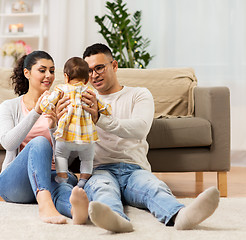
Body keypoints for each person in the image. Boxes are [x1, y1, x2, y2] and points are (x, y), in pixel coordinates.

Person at [55, 43, 220, 233]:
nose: (94, 75)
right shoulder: (80, 101)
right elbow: (70, 148)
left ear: (114, 65)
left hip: (134, 168)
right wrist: (59, 124)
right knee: (102, 190)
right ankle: (117, 220)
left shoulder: (139, 94)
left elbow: (139, 129)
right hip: (100, 169)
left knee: (153, 187)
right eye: (89, 71)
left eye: (99, 68)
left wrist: (99, 119)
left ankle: (180, 216)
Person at [0, 50, 89, 225]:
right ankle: (45, 204)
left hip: (52, 175)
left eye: (52, 71)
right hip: (16, 184)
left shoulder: (61, 105)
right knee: (39, 142)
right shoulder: (8, 107)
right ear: (27, 73)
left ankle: (78, 211)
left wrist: (55, 128)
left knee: (64, 188)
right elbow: (8, 143)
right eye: (42, 70)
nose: (49, 76)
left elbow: (71, 156)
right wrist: (36, 112)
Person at [40, 57, 111, 188]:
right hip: (86, 137)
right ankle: (83, 181)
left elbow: (46, 104)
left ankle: (62, 178)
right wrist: (105, 110)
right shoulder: (90, 92)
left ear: (66, 77)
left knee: (60, 155)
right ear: (87, 79)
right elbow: (105, 108)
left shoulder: (61, 89)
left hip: (66, 135)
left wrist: (45, 100)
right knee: (87, 159)